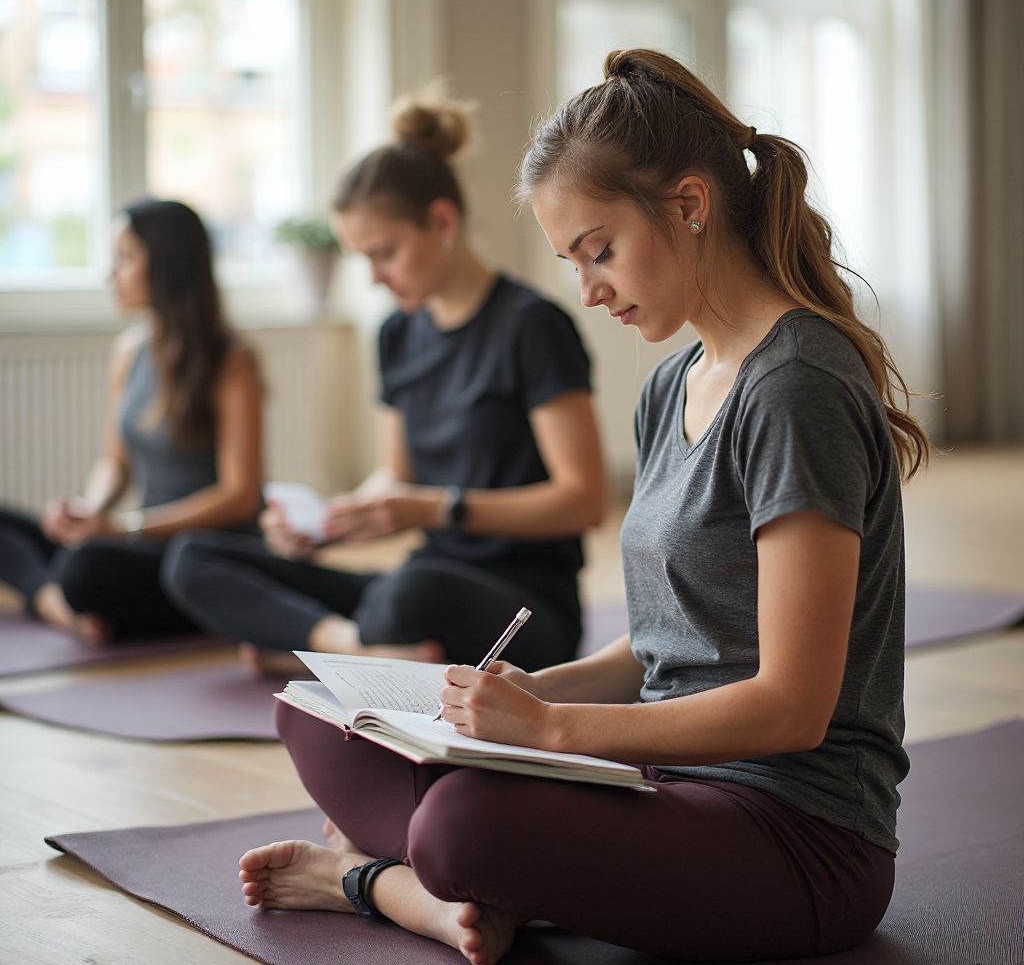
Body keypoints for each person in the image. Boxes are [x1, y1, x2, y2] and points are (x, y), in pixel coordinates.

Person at [233, 48, 929, 963]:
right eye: (572, 262)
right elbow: (656, 647)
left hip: (796, 836)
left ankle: (376, 883)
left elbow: (792, 709)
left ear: (688, 206)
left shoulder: (795, 387)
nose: (589, 288)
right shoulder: (669, 385)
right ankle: (466, 889)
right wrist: (522, 695)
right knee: (316, 717)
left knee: (459, 829)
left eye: (600, 251)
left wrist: (553, 731)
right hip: (658, 781)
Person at [161, 91, 605, 674]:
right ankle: (352, 647)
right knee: (192, 557)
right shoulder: (396, 334)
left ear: (441, 222)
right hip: (423, 577)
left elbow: (585, 501)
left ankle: (317, 647)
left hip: (521, 606)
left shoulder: (532, 327)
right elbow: (396, 474)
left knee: (408, 594)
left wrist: (433, 510)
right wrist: (329, 525)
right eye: (361, 259)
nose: (374, 278)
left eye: (385, 253)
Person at [0, 199, 263, 645]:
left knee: (87, 570)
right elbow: (114, 460)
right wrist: (89, 511)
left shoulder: (230, 361)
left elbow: (240, 497)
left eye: (124, 257)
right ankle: (57, 605)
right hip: (137, 541)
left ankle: (66, 598)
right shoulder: (128, 351)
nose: (110, 273)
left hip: (197, 555)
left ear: (165, 265)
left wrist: (125, 528)